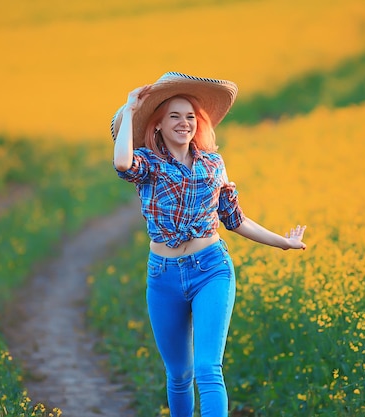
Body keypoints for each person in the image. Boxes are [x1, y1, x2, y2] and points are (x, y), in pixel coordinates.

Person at [111, 72, 307, 417]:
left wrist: (283, 243)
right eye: (174, 116)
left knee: (207, 369)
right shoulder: (150, 165)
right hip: (164, 276)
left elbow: (236, 220)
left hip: (211, 269)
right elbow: (122, 164)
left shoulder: (214, 164)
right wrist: (129, 110)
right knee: (179, 374)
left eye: (190, 117)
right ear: (157, 125)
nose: (184, 123)